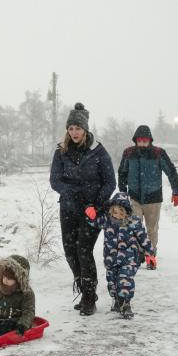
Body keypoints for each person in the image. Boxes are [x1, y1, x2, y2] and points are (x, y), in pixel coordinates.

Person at [49, 103, 116, 315]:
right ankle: (86, 289)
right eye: (71, 128)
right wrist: (72, 192)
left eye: (78, 128)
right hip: (68, 208)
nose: (74, 132)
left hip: (92, 211)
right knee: (70, 252)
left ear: (85, 129)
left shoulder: (98, 151)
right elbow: (55, 180)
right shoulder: (61, 151)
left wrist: (96, 204)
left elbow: (109, 182)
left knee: (83, 251)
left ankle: (89, 297)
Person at [117, 125, 178, 269]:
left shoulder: (158, 153)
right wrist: (122, 192)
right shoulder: (128, 153)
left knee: (152, 229)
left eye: (145, 141)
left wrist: (176, 192)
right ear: (136, 141)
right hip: (134, 197)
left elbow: (171, 171)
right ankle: (139, 252)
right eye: (140, 141)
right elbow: (122, 173)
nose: (142, 144)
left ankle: (150, 255)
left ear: (150, 141)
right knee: (135, 227)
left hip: (153, 198)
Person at [89, 194, 154, 319]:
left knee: (125, 280)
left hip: (129, 259)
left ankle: (125, 303)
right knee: (112, 282)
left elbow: (143, 238)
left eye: (121, 212)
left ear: (126, 212)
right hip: (111, 258)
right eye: (114, 212)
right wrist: (90, 213)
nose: (117, 215)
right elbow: (94, 221)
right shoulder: (107, 220)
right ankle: (117, 300)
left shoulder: (133, 221)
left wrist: (149, 253)